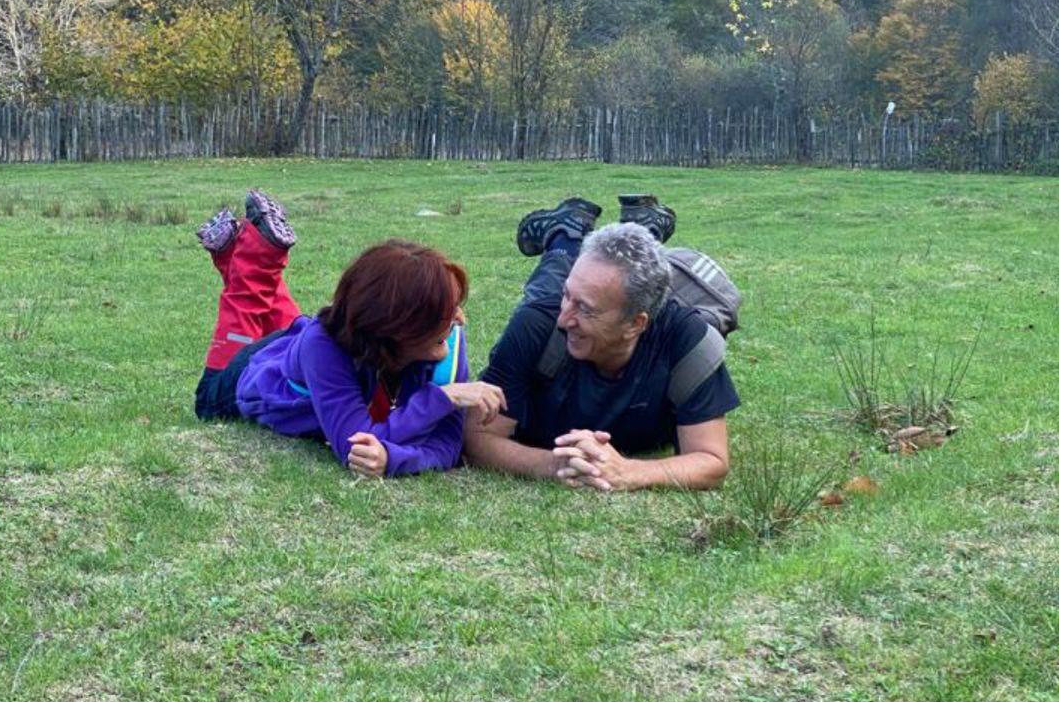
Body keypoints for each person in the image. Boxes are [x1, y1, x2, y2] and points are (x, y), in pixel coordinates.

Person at [193, 189, 505, 477]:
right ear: (398, 326)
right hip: (263, 370)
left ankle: (246, 252)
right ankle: (245, 256)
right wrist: (441, 399)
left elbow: (447, 446)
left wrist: (393, 458)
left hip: (306, 348)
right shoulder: (324, 347)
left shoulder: (445, 342)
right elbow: (355, 443)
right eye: (444, 312)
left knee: (303, 335)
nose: (460, 319)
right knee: (206, 400)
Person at [464, 192, 739, 493]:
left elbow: (712, 461)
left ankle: (643, 230)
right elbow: (478, 439)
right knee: (549, 282)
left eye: (585, 309)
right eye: (568, 298)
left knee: (620, 279)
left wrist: (629, 472)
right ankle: (564, 232)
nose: (564, 319)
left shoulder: (685, 338)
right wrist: (556, 465)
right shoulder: (539, 325)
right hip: (554, 299)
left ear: (637, 324)